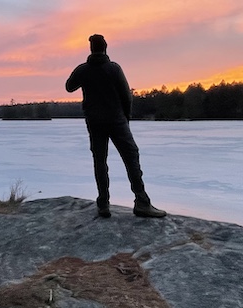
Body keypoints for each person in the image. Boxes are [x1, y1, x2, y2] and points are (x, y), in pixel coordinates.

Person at [65, 34, 167, 219]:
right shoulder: (114, 69)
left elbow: (69, 87)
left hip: (95, 122)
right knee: (131, 157)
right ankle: (141, 202)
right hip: (116, 120)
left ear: (91, 49)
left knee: (100, 161)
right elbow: (126, 96)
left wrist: (82, 73)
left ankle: (103, 204)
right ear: (105, 48)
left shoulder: (83, 70)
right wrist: (126, 118)